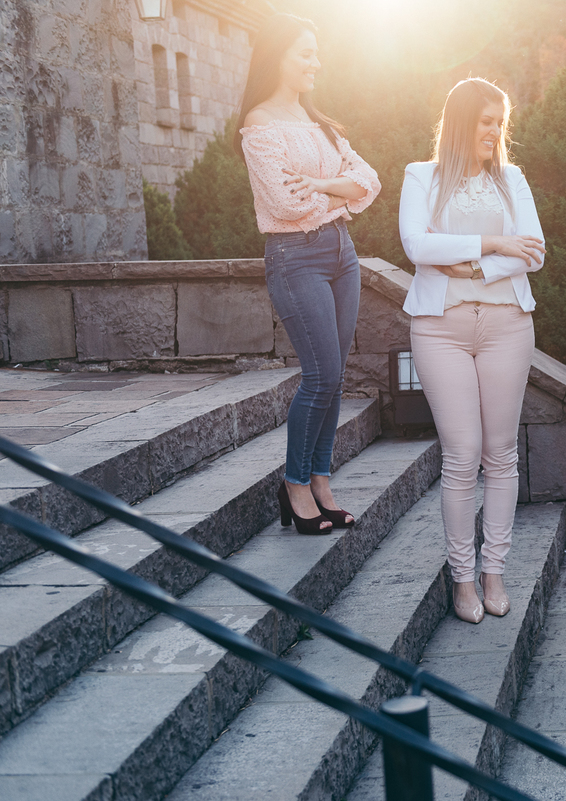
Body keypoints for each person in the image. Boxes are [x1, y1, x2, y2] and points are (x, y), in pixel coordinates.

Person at [397, 78, 546, 624]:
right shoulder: (421, 176)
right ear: (462, 121)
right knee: (461, 454)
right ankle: (463, 580)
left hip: (508, 324)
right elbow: (417, 245)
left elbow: (535, 251)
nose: (495, 131)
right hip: (440, 329)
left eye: (500, 122)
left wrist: (476, 265)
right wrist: (493, 242)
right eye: (486, 120)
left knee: (500, 453)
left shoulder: (512, 178)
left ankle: (494, 573)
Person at [236, 13, 381, 536]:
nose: (316, 62)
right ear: (278, 56)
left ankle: (321, 482)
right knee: (320, 376)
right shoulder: (259, 125)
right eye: (305, 53)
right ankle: (295, 486)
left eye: (317, 52)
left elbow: (371, 181)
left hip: (343, 253)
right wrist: (337, 186)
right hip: (295, 258)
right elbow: (284, 202)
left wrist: (320, 183)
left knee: (336, 377)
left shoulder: (320, 123)